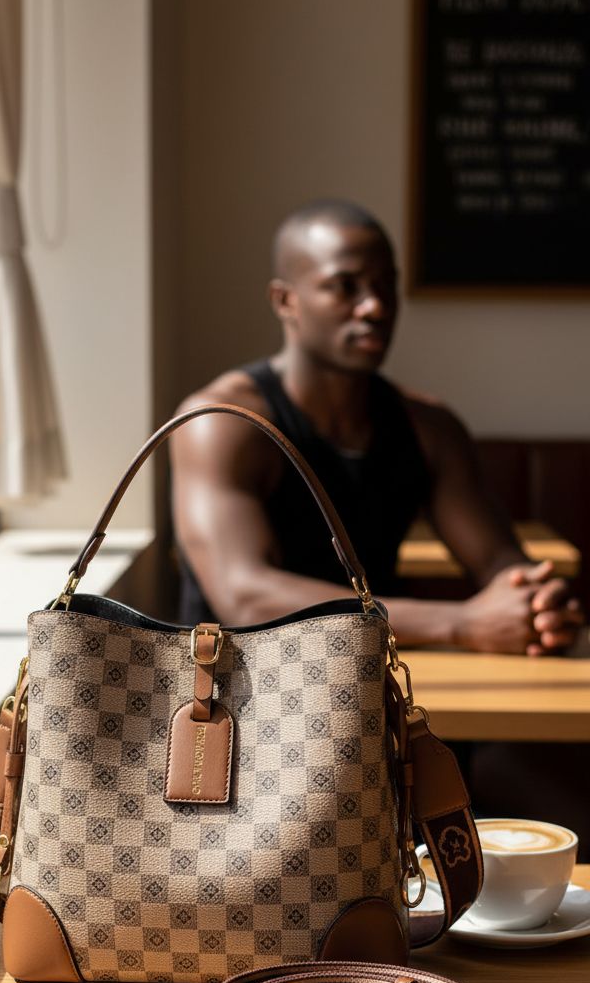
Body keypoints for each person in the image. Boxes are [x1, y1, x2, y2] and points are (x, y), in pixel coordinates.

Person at [170, 199, 584, 655]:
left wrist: (535, 601)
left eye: (386, 284)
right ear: (286, 301)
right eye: (345, 287)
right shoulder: (223, 421)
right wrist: (460, 623)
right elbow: (244, 595)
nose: (375, 307)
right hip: (237, 688)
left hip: (375, 680)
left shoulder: (429, 427)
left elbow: (496, 559)